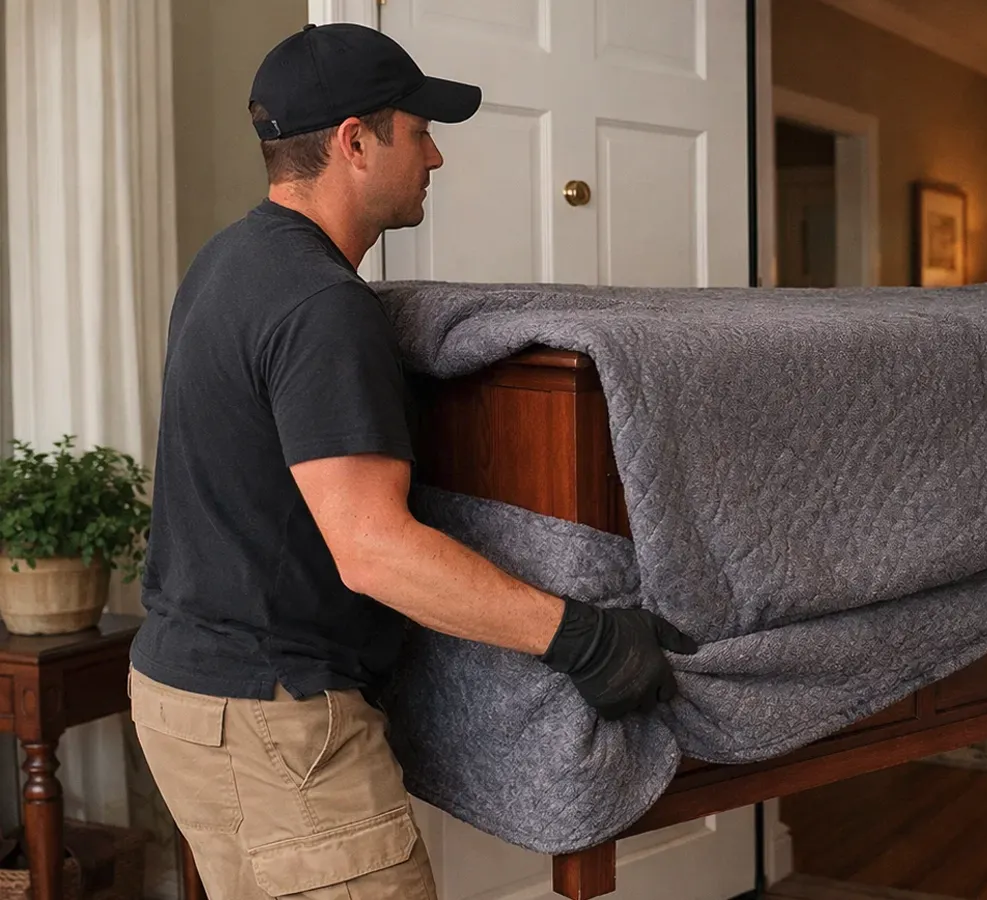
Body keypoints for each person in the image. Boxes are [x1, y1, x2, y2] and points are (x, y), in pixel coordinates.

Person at [127, 23, 699, 897]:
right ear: (356, 141)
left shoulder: (227, 261)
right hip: (276, 726)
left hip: (185, 695)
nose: (436, 158)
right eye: (420, 131)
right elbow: (372, 549)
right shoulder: (322, 306)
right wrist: (579, 637)